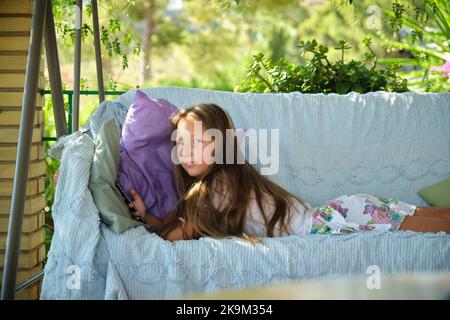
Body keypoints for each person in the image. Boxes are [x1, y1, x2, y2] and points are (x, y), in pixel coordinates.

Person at [118, 103, 450, 241]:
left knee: (439, 229)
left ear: (219, 145)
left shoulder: (216, 186)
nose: (185, 151)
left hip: (335, 222)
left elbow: (177, 235)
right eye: (180, 142)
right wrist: (150, 218)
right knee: (439, 222)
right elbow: (179, 225)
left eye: (196, 142)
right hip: (343, 211)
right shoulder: (217, 184)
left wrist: (150, 225)